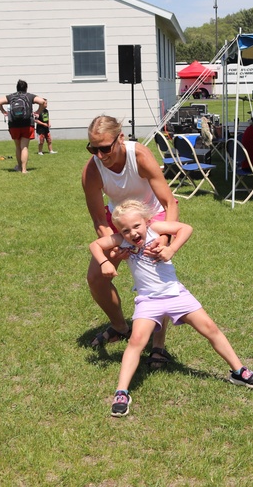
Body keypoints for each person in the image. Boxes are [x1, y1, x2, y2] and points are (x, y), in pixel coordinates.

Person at [95, 200, 253, 417]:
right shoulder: (122, 242)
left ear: (146, 221)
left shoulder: (156, 229)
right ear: (120, 231)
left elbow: (186, 228)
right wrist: (104, 262)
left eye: (136, 226)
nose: (133, 233)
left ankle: (239, 371)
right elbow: (96, 245)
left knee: (210, 328)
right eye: (125, 230)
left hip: (176, 293)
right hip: (148, 300)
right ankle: (121, 392)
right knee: (136, 341)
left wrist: (171, 248)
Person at [82, 115, 177, 367]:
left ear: (120, 138)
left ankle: (158, 346)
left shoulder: (140, 156)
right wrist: (114, 247)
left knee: (155, 279)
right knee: (95, 278)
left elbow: (168, 202)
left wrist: (165, 239)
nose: (100, 155)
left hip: (151, 217)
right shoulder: (92, 169)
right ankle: (120, 326)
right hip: (119, 221)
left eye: (105, 148)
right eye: (93, 148)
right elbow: (99, 219)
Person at [0, 79, 45, 174]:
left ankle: (19, 166)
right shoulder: (30, 96)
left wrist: (3, 111)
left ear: (17, 88)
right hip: (27, 124)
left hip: (14, 124)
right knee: (24, 147)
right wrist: (38, 112)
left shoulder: (11, 96)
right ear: (26, 88)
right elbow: (42, 101)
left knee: (18, 146)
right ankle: (24, 169)